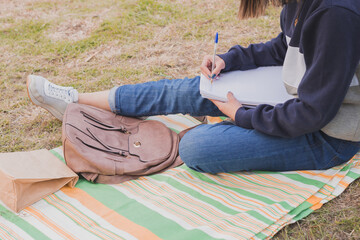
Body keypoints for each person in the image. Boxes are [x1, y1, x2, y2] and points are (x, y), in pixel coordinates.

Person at [27, 0, 360, 174]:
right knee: (195, 89)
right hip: (293, 99)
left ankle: (236, 129)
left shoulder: (336, 14)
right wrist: (231, 59)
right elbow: (282, 47)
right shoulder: (301, 4)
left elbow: (316, 112)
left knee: (197, 149)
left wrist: (242, 116)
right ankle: (76, 100)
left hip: (329, 137)